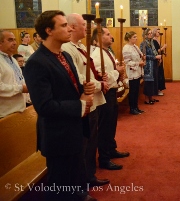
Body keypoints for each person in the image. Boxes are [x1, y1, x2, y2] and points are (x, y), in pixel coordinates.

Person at [23, 10, 96, 201]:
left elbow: (67, 85)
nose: (69, 28)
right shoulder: (36, 62)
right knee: (59, 185)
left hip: (73, 129)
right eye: (63, 25)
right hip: (58, 135)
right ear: (49, 30)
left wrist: (83, 86)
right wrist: (80, 105)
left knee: (73, 177)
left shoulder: (64, 55)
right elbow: (44, 106)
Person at [62, 13, 110, 188]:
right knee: (84, 144)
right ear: (73, 27)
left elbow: (90, 69)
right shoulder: (68, 49)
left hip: (93, 100)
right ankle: (82, 181)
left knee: (92, 142)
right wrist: (100, 84)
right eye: (84, 24)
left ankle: (90, 175)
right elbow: (80, 77)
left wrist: (100, 79)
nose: (87, 28)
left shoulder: (81, 46)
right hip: (84, 101)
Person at [92, 27, 130, 170]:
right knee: (105, 126)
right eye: (107, 34)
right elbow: (103, 77)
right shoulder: (97, 56)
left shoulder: (106, 52)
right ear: (98, 39)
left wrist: (118, 74)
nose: (111, 36)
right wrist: (117, 71)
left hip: (112, 92)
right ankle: (104, 158)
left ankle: (111, 148)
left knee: (111, 124)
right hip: (105, 93)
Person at [0, 30, 28, 118]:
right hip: (5, 113)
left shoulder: (13, 60)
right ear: (0, 43)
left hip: (20, 108)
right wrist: (21, 88)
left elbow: (20, 79)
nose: (15, 43)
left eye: (15, 40)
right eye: (10, 40)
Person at [123, 31, 145, 115]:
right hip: (132, 71)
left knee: (136, 90)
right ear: (129, 38)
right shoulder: (126, 48)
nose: (136, 38)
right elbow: (127, 62)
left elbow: (140, 55)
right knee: (132, 91)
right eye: (134, 37)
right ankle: (132, 108)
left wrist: (143, 57)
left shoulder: (135, 46)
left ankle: (136, 107)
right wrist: (138, 63)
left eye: (136, 37)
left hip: (138, 71)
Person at [140, 28, 161, 104]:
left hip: (154, 64)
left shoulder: (151, 43)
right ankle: (146, 99)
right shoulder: (143, 44)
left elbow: (154, 53)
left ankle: (151, 97)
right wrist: (155, 57)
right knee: (148, 82)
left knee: (153, 81)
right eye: (149, 33)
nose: (150, 35)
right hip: (148, 65)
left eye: (151, 33)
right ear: (145, 35)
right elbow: (144, 56)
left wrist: (158, 57)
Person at [152, 27, 167, 96]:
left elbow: (159, 50)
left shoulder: (157, 40)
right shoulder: (153, 41)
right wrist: (163, 47)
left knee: (160, 73)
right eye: (158, 32)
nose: (159, 33)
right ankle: (157, 89)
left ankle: (160, 88)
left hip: (160, 58)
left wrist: (163, 52)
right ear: (154, 32)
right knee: (158, 74)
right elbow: (156, 50)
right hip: (157, 59)